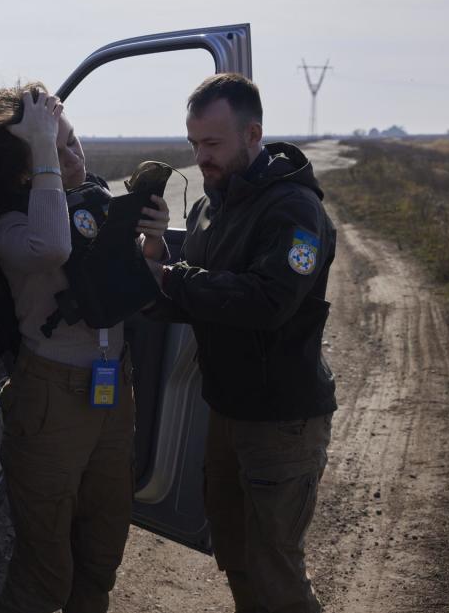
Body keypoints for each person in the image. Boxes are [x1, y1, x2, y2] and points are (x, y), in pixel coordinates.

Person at [0, 82, 170, 613]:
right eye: (56, 147)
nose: (74, 154)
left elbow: (134, 296)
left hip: (113, 397)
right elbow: (53, 246)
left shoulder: (90, 207)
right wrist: (41, 146)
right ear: (27, 169)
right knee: (45, 574)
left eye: (73, 140)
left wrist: (151, 244)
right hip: (52, 402)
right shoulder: (13, 227)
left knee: (101, 555)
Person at [145, 73, 337, 613]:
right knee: (235, 555)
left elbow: (268, 301)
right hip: (228, 414)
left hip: (281, 422)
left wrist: (173, 279)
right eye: (194, 145)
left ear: (252, 134)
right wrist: (150, 272)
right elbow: (194, 296)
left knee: (276, 572)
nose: (201, 157)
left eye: (212, 144)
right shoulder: (213, 205)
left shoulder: (295, 211)